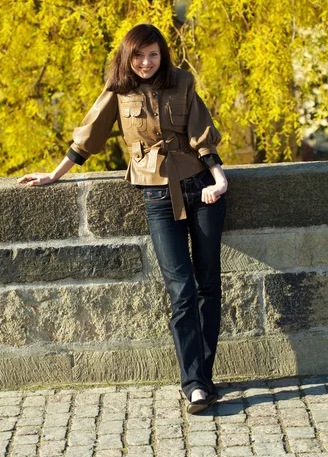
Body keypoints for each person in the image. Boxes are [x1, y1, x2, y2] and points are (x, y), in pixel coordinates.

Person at [18, 24, 228, 414]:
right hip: (157, 193)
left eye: (153, 54)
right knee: (180, 287)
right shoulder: (118, 90)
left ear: (162, 54)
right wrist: (54, 174)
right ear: (127, 57)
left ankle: (204, 378)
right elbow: (89, 136)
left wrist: (218, 178)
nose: (146, 63)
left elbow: (202, 134)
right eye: (138, 56)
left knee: (208, 285)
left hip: (200, 188)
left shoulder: (182, 81)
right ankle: (195, 384)